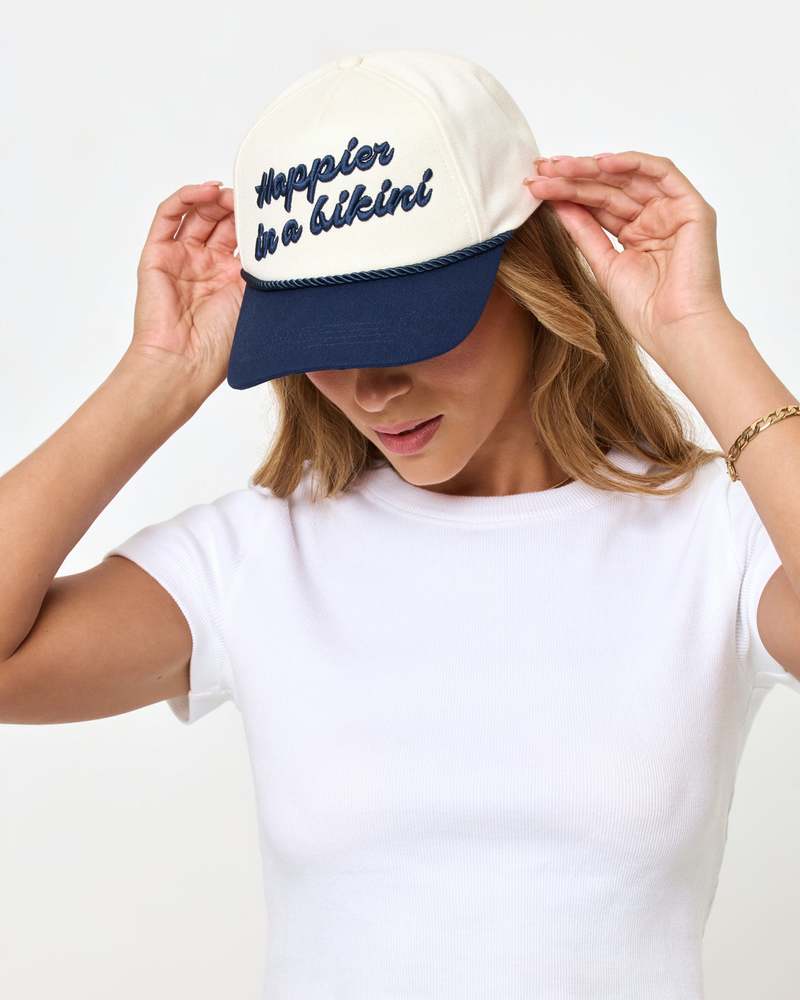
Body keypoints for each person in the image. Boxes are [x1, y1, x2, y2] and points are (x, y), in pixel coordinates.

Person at [2, 48, 800, 1000]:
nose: (370, 389)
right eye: (325, 341)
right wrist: (157, 375)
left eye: (410, 328)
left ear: (529, 275)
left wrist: (700, 331)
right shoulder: (257, 554)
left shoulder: (713, 537)